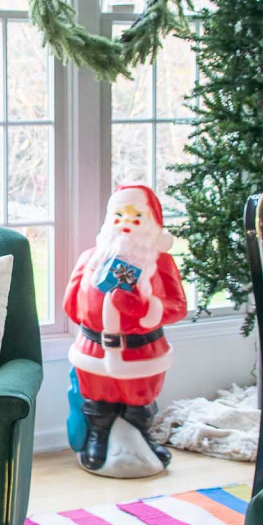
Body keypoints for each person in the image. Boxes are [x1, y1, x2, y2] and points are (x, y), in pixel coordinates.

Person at [65, 183, 187, 473]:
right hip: (94, 349)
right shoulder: (91, 259)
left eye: (136, 217)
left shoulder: (162, 263)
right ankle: (98, 437)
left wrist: (145, 309)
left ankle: (142, 436)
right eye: (119, 216)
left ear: (150, 221)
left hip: (142, 350)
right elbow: (71, 303)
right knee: (98, 398)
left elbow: (178, 305)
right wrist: (91, 310)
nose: (126, 224)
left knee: (139, 399)